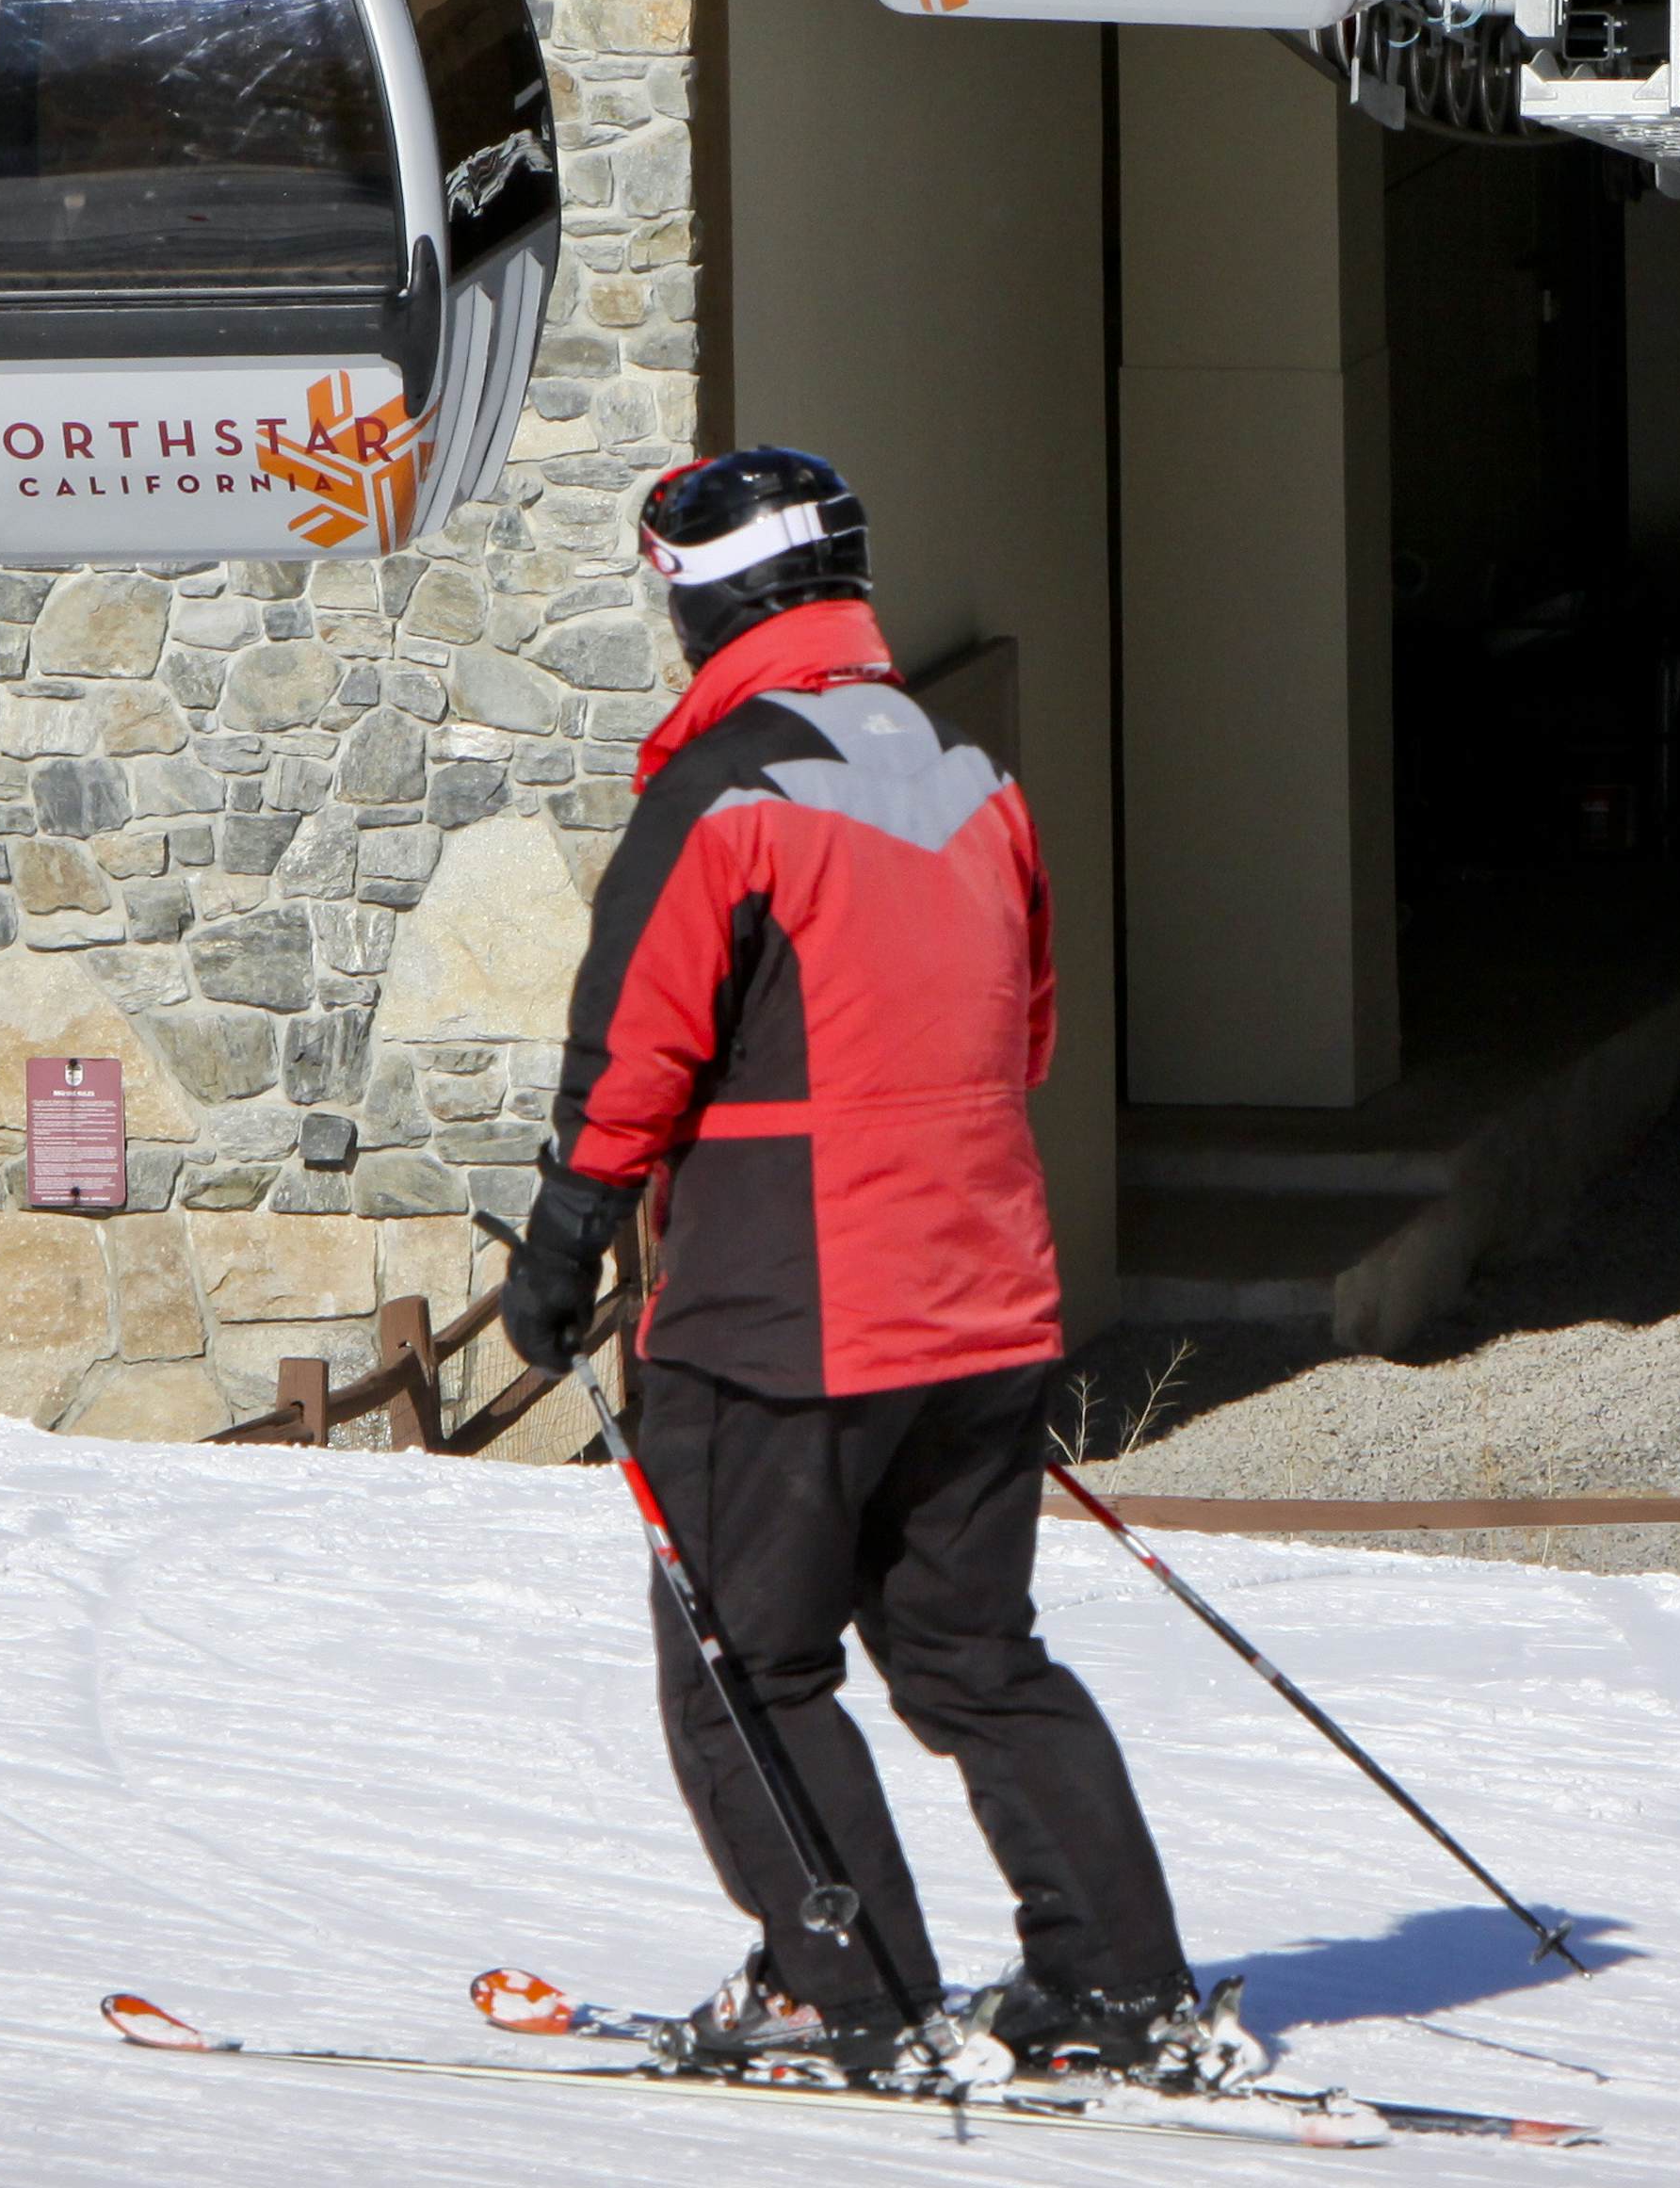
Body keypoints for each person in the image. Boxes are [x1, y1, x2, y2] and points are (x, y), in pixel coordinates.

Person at [497, 447, 1259, 2091]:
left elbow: (633, 1051)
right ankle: (1122, 1988)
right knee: (976, 1660)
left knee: (746, 1670)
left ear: (709, 598)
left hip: (784, 1321)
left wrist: (565, 1247)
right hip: (985, 1299)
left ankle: (851, 1992)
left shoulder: (728, 790)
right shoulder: (974, 772)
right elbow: (1029, 1031)